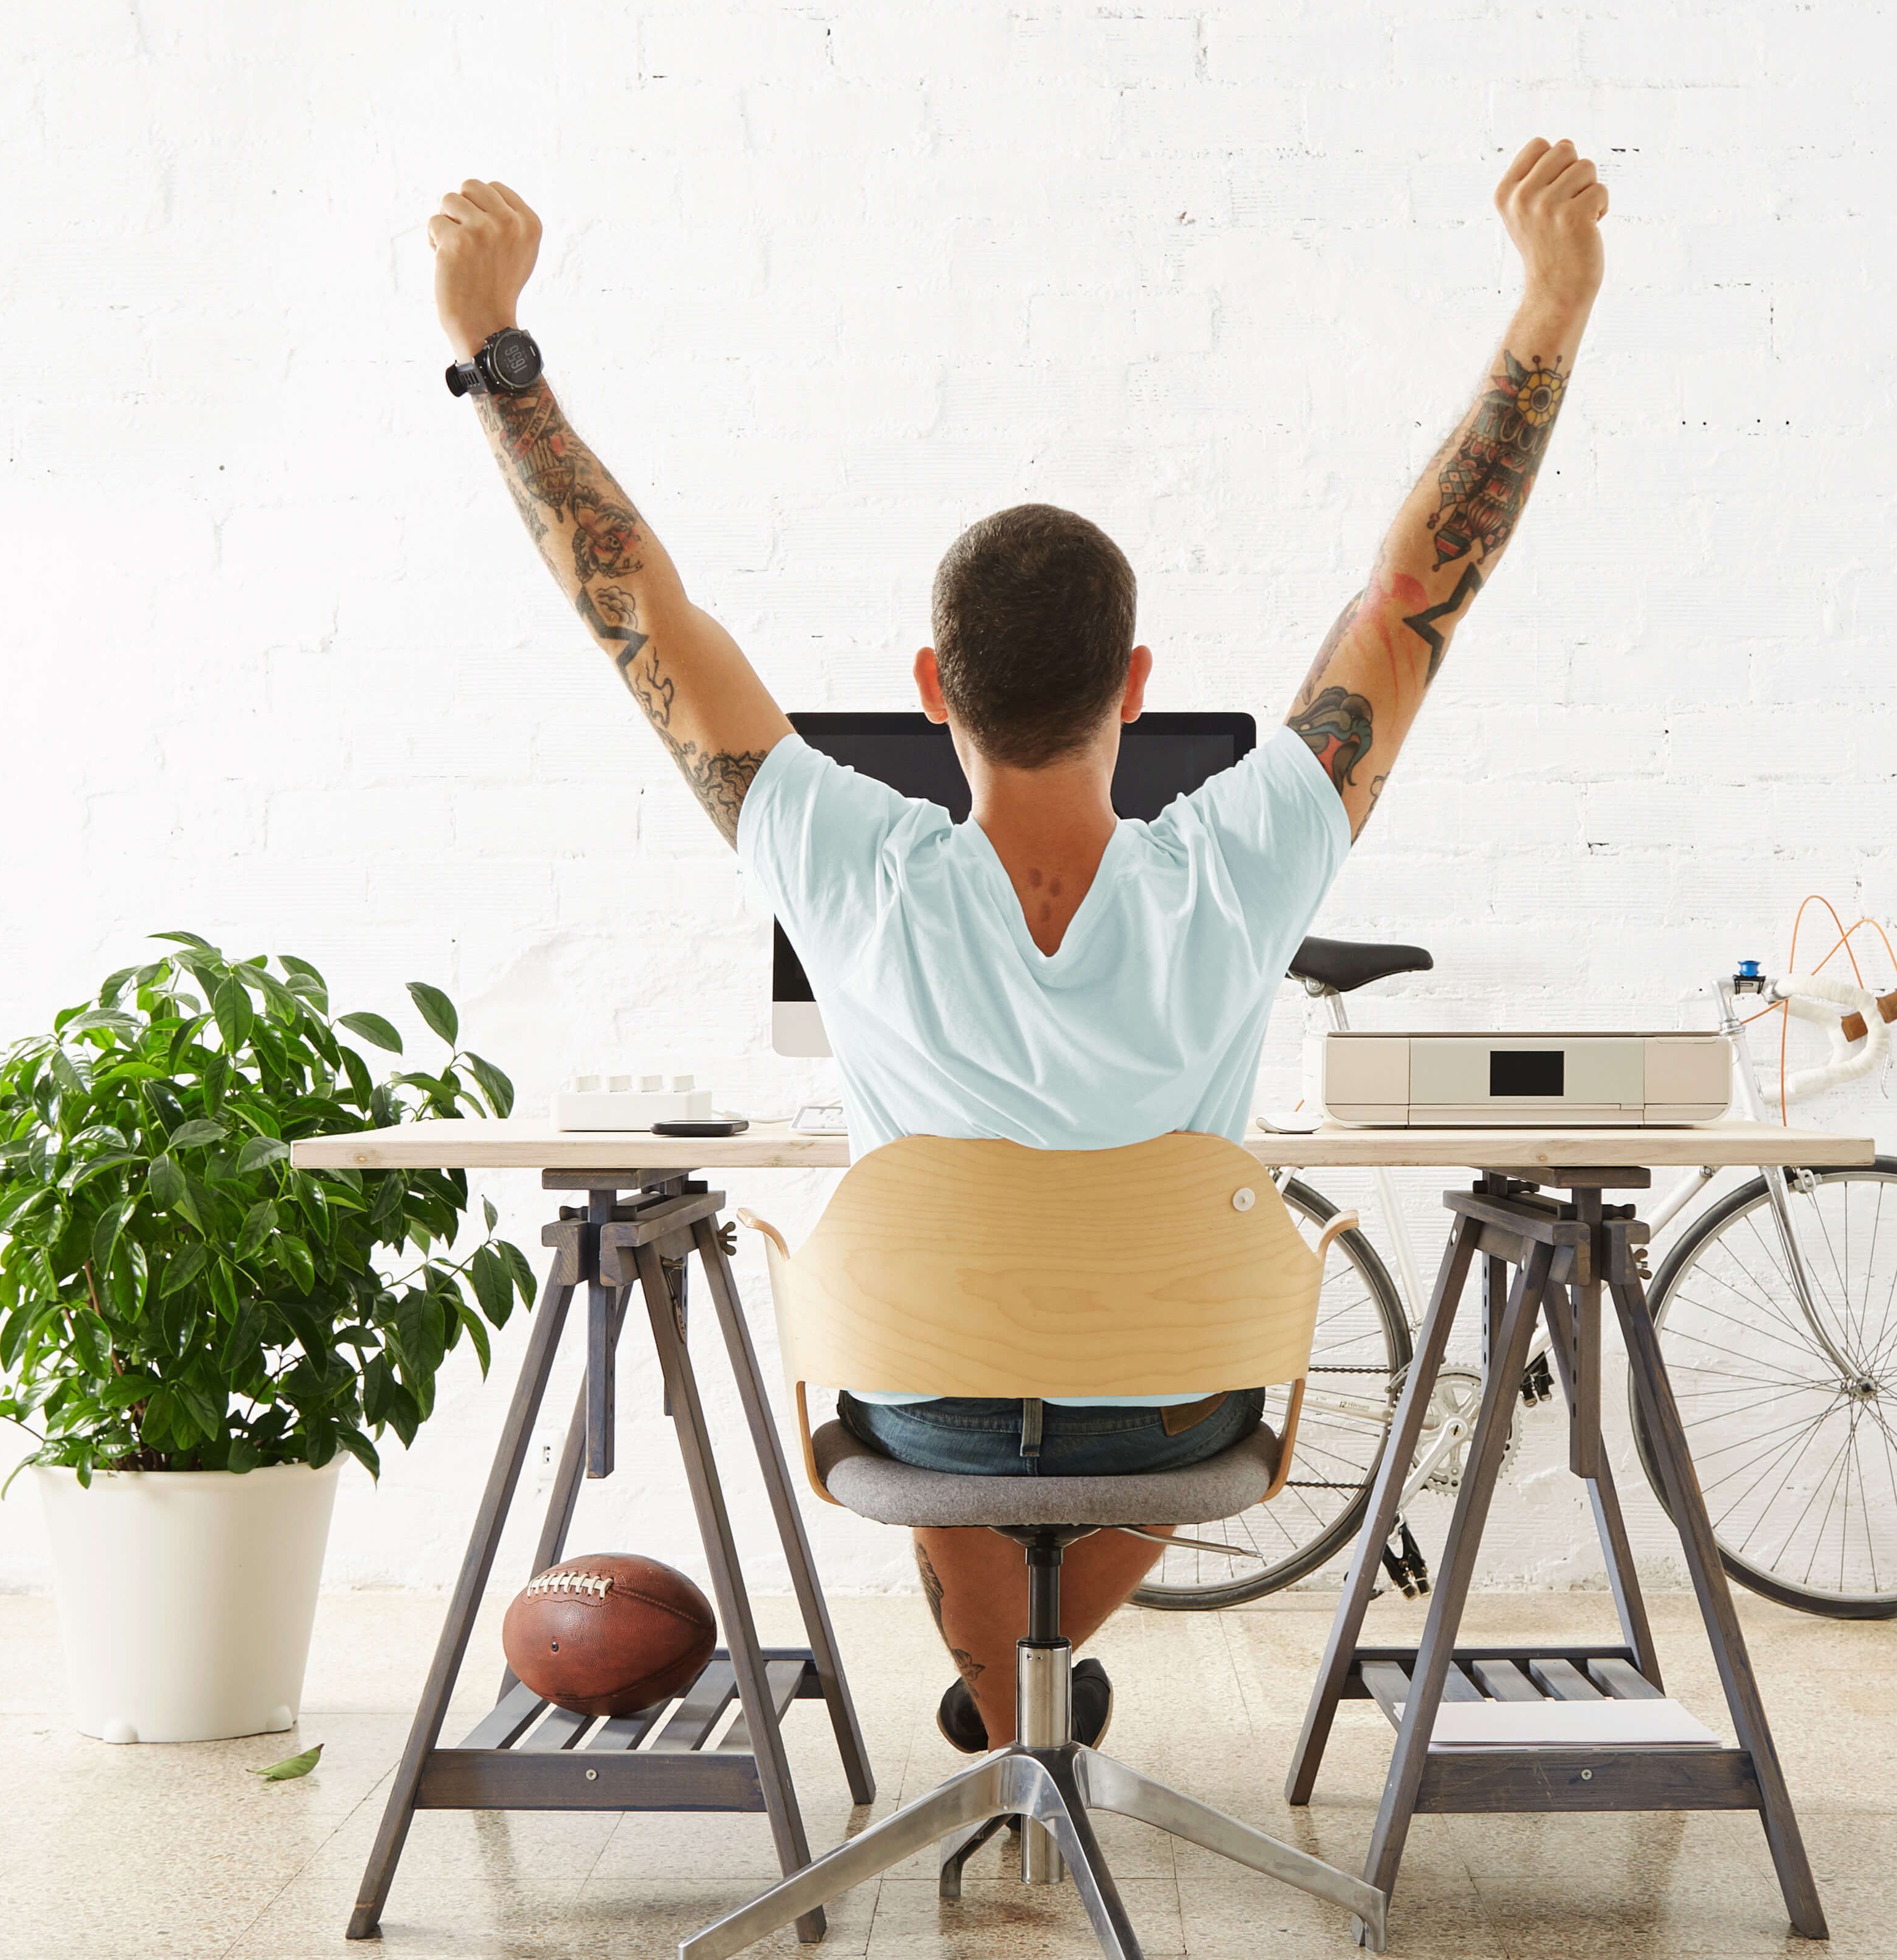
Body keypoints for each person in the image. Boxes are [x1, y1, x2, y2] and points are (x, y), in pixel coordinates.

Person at [425, 140, 1608, 1754]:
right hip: (1182, 1390)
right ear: (1134, 684)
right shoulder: (1245, 856)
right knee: (1137, 1381)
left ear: (930, 686)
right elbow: (1414, 599)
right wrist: (1550, 303)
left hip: (921, 1396)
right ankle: (1030, 1707)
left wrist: (498, 356)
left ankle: (1007, 1708)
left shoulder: (845, 862)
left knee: (943, 1362)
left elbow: (636, 610)